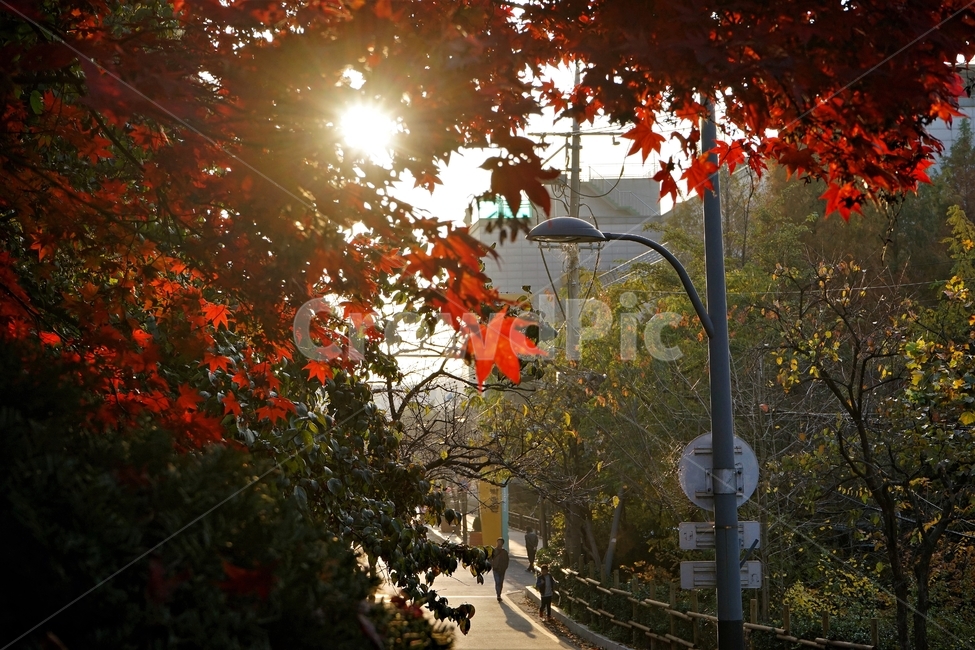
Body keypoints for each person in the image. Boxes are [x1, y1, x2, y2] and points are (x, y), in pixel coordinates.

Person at [491, 537, 509, 602]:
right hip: (495, 569)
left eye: (500, 542)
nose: (499, 544)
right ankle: (498, 595)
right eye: (498, 542)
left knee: (500, 583)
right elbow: (490, 559)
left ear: (502, 544)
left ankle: (499, 594)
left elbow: (507, 561)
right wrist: (492, 566)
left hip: (502, 570)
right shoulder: (493, 551)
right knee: (497, 582)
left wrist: (504, 568)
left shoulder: (505, 552)